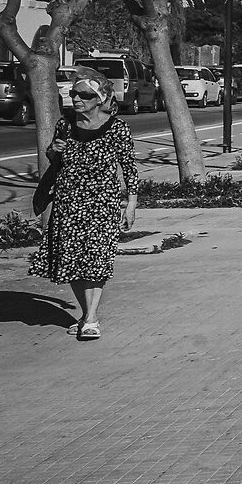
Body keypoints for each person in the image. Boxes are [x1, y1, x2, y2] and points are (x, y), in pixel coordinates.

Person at [30, 77, 138, 341]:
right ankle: (86, 313)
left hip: (102, 203)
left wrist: (131, 203)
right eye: (73, 93)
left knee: (97, 260)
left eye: (84, 95)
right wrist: (53, 150)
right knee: (71, 261)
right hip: (68, 202)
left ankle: (91, 317)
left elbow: (130, 167)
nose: (76, 99)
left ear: (99, 98)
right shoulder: (64, 126)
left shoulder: (117, 128)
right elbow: (54, 159)